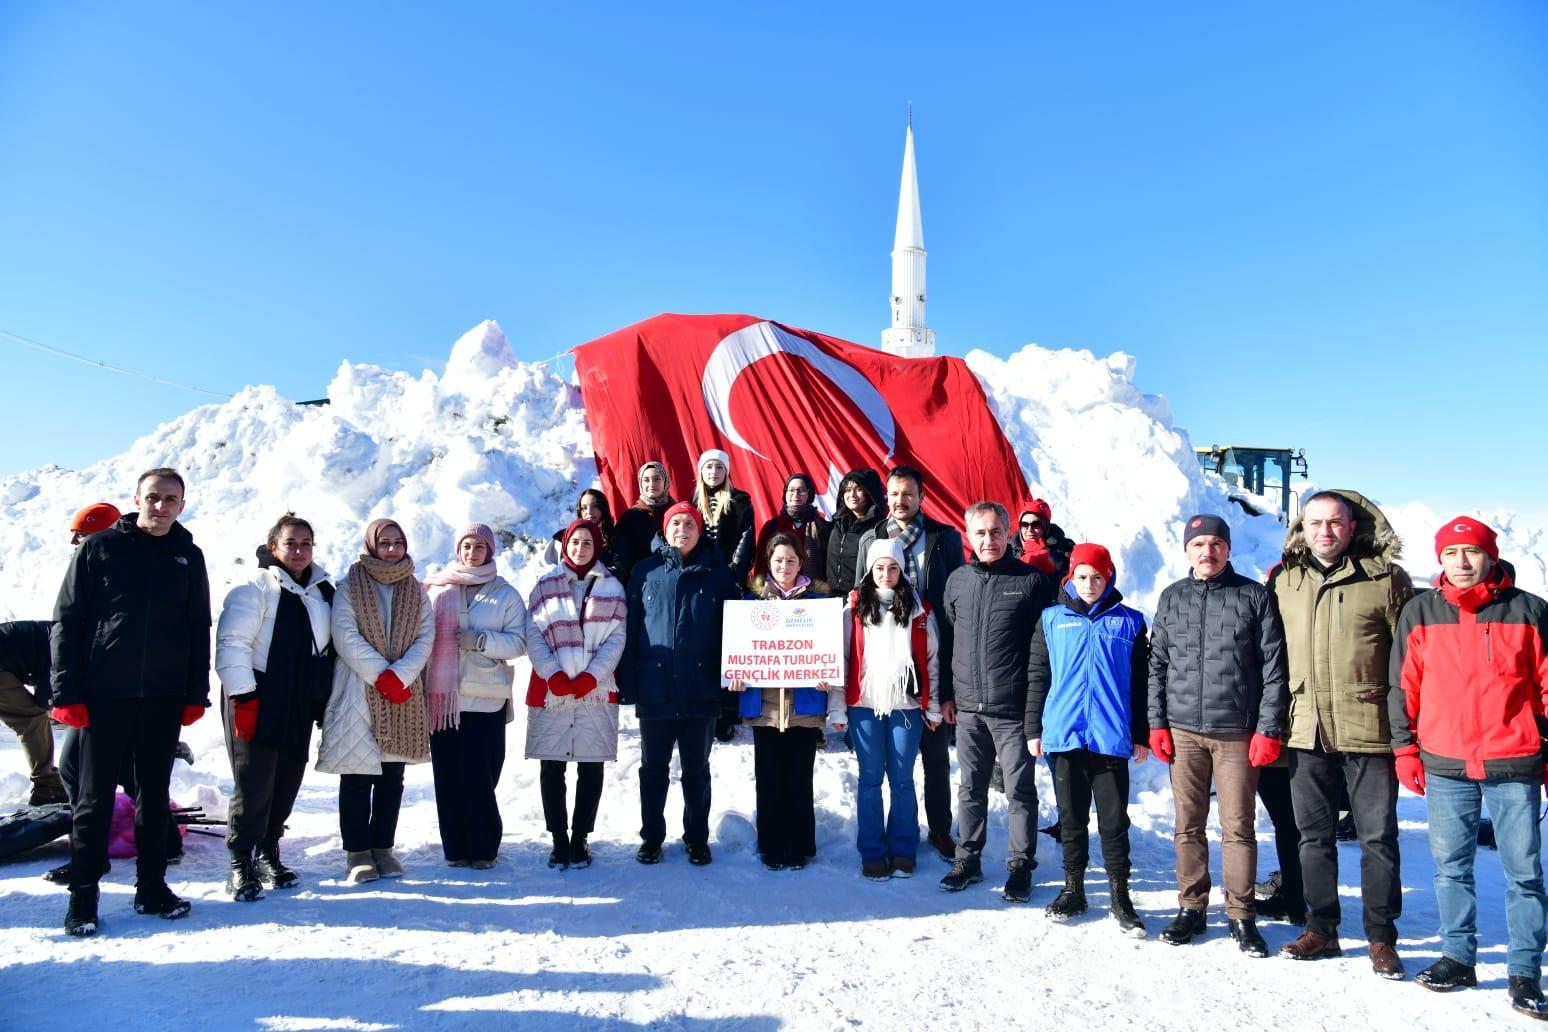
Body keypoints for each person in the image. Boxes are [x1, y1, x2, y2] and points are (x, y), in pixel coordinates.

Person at [1390, 517, 1548, 1018]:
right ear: (1439, 559)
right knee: (1450, 869)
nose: (1461, 563)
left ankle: (1525, 970)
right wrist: (1404, 749)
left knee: (1524, 872)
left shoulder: (1530, 612)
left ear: (1490, 556)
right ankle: (1458, 957)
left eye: (1471, 552)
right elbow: (1404, 687)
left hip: (1514, 760)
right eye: (1451, 552)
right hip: (1444, 762)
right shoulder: (1420, 613)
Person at [50, 468, 211, 936]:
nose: (161, 507)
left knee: (153, 798)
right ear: (136, 499)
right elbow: (66, 621)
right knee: (92, 799)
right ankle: (83, 897)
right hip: (104, 697)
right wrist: (68, 693)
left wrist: (194, 693)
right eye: (153, 498)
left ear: (182, 504)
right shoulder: (100, 548)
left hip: (161, 698)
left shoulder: (188, 555)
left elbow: (196, 626)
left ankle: (151, 887)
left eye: (171, 500)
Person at [1270, 491, 1412, 977]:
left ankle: (1380, 938)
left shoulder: (1386, 581)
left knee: (1377, 838)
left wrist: (1404, 727)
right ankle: (1322, 929)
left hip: (1368, 730)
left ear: (1353, 527)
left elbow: (1407, 660)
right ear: (1302, 529)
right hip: (1305, 729)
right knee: (1312, 837)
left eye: (1335, 523)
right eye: (1315, 523)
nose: (1325, 532)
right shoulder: (1285, 581)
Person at [1148, 513, 1288, 957]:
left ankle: (1241, 914)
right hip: (1184, 731)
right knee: (1187, 826)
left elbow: (1274, 669)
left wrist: (1267, 728)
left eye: (1215, 544)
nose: (1207, 552)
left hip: (1236, 735)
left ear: (1227, 549)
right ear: (1186, 550)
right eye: (1198, 544)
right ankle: (1192, 907)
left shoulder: (1252, 596)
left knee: (1238, 828)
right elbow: (1157, 666)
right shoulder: (1172, 598)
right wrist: (1157, 723)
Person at [1026, 543, 1150, 934]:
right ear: (1071, 578)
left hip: (1111, 736)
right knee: (1071, 818)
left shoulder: (1130, 622)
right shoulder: (1051, 620)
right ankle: (1073, 888)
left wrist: (1141, 734)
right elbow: (1038, 678)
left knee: (1114, 822)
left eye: (1098, 576)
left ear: (1109, 576)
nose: (1090, 583)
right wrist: (1034, 728)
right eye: (1082, 576)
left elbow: (1142, 683)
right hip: (1064, 733)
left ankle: (1119, 894)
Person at [213, 513, 335, 901]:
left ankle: (268, 851)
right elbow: (232, 644)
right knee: (254, 782)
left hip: (298, 697)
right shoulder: (255, 586)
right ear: (273, 547)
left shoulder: (321, 590)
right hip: (258, 693)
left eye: (305, 544)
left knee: (285, 781)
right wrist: (243, 698)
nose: (299, 550)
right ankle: (240, 860)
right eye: (290, 543)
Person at [938, 501, 1054, 901]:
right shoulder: (957, 581)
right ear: (970, 536)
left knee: (1020, 790)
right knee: (970, 787)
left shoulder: (1031, 582)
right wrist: (949, 696)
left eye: (996, 532)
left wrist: (1035, 707)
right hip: (969, 709)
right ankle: (967, 859)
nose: (989, 539)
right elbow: (950, 639)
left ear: (1009, 534)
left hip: (1013, 709)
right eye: (981, 533)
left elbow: (1042, 650)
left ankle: (1020, 866)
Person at [618, 501, 739, 866]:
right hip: (655, 686)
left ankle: (696, 838)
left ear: (699, 530)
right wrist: (629, 685)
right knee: (652, 770)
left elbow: (731, 633)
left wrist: (729, 686)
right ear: (665, 530)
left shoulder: (718, 574)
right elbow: (631, 629)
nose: (682, 530)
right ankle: (651, 837)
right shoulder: (645, 571)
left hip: (699, 687)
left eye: (689, 524)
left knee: (696, 770)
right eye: (676, 524)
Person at [317, 518, 436, 885]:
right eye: (384, 543)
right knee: (356, 775)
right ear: (371, 545)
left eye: (398, 542)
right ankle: (357, 852)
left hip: (402, 690)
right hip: (358, 689)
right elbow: (344, 634)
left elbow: (424, 636)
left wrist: (398, 676)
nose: (392, 549)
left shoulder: (416, 590)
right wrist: (379, 675)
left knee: (391, 777)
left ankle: (383, 847)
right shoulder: (349, 585)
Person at [854, 466, 964, 861]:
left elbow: (954, 601)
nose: (900, 501)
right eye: (894, 493)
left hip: (926, 653)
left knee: (935, 754)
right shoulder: (871, 537)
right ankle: (882, 838)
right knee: (885, 765)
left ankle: (938, 828)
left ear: (921, 497)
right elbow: (860, 596)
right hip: (882, 666)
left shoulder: (943, 538)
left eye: (908, 494)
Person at [734, 533, 844, 870]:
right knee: (768, 779)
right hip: (766, 708)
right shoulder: (752, 605)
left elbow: (831, 651)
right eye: (778, 560)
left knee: (799, 779)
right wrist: (736, 673)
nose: (784, 566)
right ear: (769, 562)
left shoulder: (818, 605)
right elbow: (740, 652)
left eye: (791, 560)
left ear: (801, 563)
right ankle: (771, 846)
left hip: (804, 708)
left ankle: (798, 846)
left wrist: (828, 672)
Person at [424, 523, 527, 870]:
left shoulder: (505, 593)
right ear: (458, 549)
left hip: (485, 698)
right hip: (443, 700)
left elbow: (519, 642)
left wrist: (481, 640)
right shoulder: (438, 588)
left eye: (479, 546)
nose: (472, 552)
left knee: (479, 776)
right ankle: (455, 848)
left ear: (490, 550)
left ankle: (483, 848)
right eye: (467, 546)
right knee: (448, 777)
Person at [525, 519, 627, 870]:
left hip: (594, 690)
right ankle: (558, 840)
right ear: (565, 545)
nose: (580, 548)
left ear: (597, 546)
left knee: (590, 766)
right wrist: (552, 672)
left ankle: (581, 837)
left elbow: (617, 637)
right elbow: (533, 632)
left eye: (587, 542)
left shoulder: (613, 587)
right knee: (551, 767)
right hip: (551, 687)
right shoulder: (544, 584)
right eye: (575, 542)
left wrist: (592, 676)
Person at [846, 540, 941, 879]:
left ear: (902, 572)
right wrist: (837, 708)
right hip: (865, 704)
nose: (886, 575)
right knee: (870, 779)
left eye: (893, 568)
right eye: (880, 568)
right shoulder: (855, 608)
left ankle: (903, 849)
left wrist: (931, 706)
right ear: (870, 570)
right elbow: (844, 659)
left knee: (902, 780)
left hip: (906, 706)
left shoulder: (918, 610)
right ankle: (872, 851)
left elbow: (932, 660)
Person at [0, 620, 67, 805]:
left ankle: (47, 784)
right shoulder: (68, 645)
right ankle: (47, 786)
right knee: (32, 719)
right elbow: (46, 697)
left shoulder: (65, 633)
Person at [692, 449, 756, 588]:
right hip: (699, 574)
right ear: (701, 471)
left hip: (731, 575)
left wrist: (733, 571)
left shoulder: (740, 501)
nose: (714, 472)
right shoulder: (691, 504)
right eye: (709, 467)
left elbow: (746, 539)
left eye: (719, 467)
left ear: (726, 472)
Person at [755, 474, 832, 582]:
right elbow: (760, 562)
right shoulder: (772, 527)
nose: (796, 494)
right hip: (776, 590)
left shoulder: (822, 527)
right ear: (785, 493)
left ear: (809, 494)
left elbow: (829, 563)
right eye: (791, 490)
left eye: (801, 490)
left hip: (814, 592)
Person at [825, 468, 886, 598]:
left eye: (858, 489)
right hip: (830, 601)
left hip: (862, 601)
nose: (852, 495)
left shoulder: (879, 529)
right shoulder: (836, 525)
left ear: (870, 493)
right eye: (847, 490)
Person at [613, 461, 676, 586]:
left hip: (675, 581)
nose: (651, 484)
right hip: (642, 584)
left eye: (657, 479)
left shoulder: (677, 513)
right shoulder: (630, 518)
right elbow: (621, 558)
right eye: (646, 480)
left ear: (665, 481)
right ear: (641, 484)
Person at [545, 489, 619, 571]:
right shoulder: (562, 537)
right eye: (584, 508)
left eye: (594, 506)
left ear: (603, 508)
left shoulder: (615, 539)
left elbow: (619, 571)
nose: (589, 512)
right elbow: (547, 568)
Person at [1014, 499, 1073, 580]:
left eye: (1036, 524)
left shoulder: (1066, 548)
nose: (1029, 530)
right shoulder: (1008, 550)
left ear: (1046, 526)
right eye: (1024, 524)